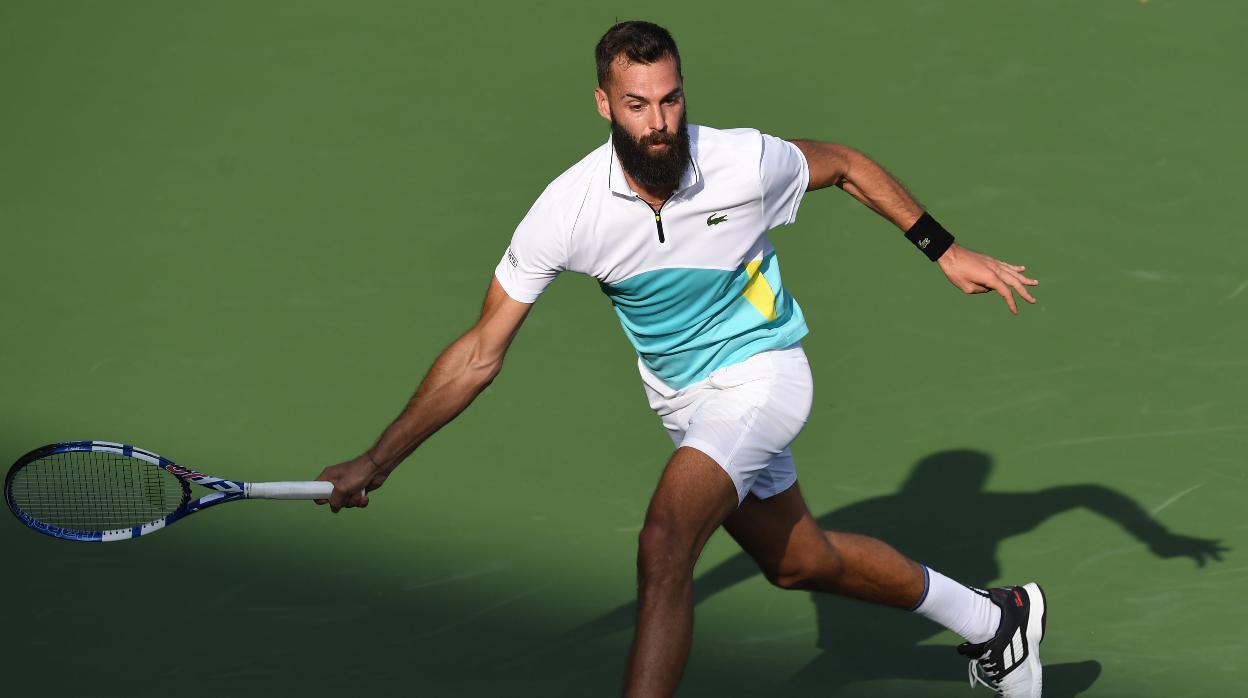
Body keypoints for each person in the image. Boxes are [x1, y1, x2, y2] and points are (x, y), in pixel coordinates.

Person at [316, 20, 1044, 698]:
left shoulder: (742, 161)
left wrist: (943, 249)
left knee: (665, 544)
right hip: (682, 399)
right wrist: (379, 460)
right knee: (798, 562)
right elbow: (479, 352)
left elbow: (847, 166)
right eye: (637, 105)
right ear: (605, 104)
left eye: (670, 100)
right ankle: (995, 620)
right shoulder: (565, 211)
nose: (659, 124)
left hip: (763, 374)